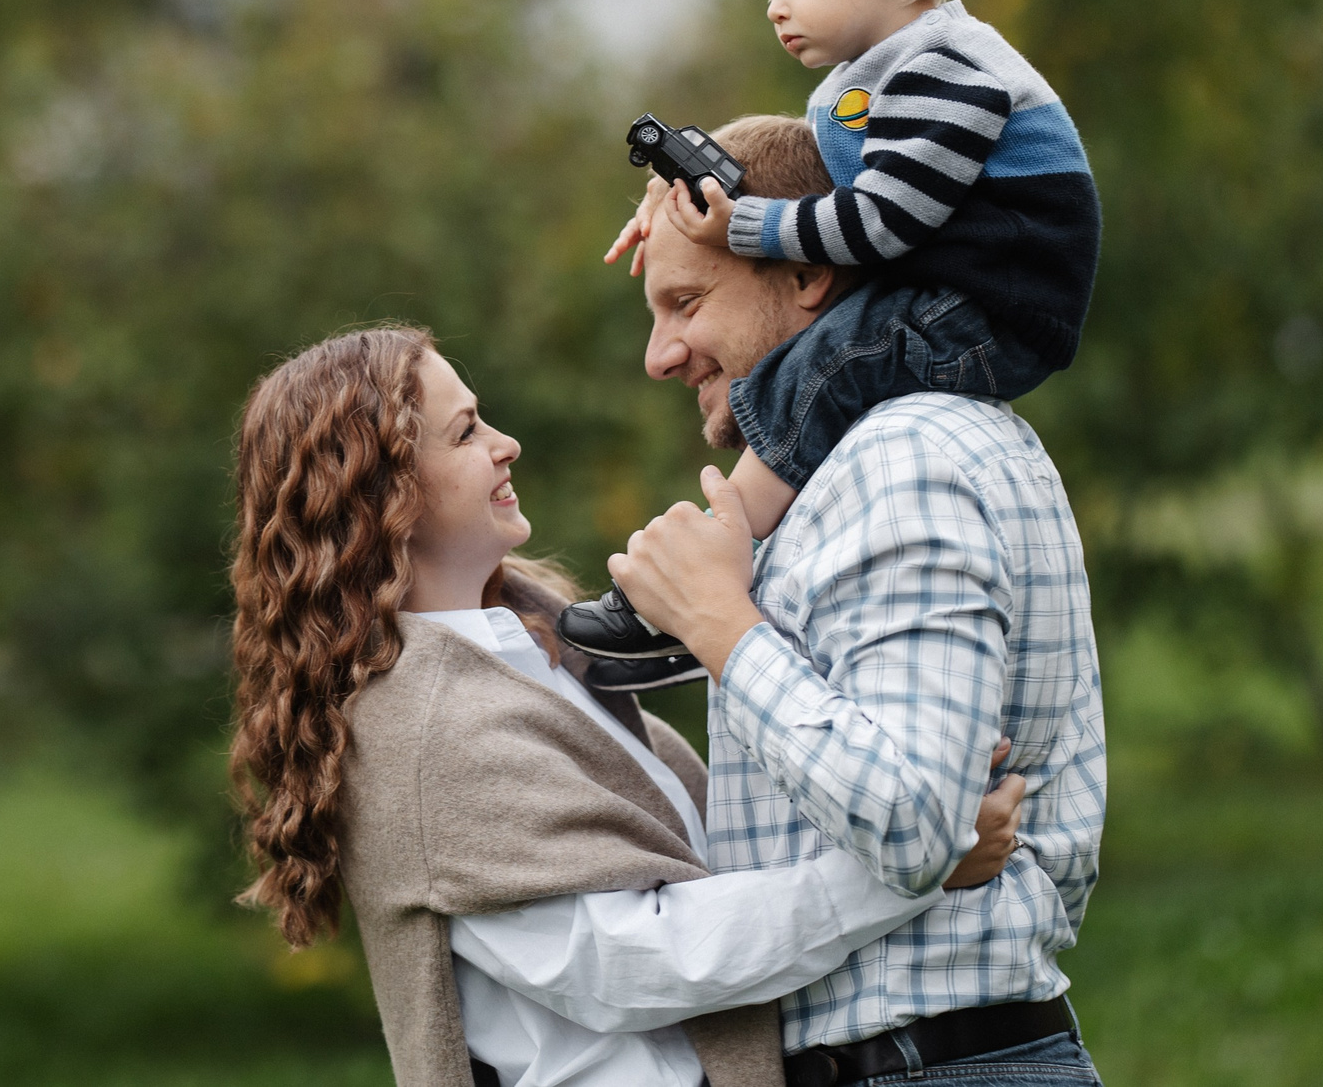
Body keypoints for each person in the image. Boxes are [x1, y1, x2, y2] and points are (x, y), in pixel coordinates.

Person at [226, 325, 1027, 1087]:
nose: (505, 444)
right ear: (383, 488)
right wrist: (912, 870)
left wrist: (902, 777)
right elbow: (637, 961)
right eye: (466, 432)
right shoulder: (425, 725)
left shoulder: (532, 660)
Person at [607, 117, 1107, 1086]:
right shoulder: (863, 461)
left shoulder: (900, 458)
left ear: (804, 272)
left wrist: (721, 626)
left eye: (686, 302)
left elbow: (920, 823)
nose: (659, 355)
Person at [564, 0, 1099, 679]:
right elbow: (806, 174)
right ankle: (725, 575)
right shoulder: (866, 83)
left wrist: (739, 228)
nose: (774, 3)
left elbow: (873, 222)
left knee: (821, 368)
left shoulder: (949, 71)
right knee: (828, 361)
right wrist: (671, 204)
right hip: (948, 286)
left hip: (995, 303)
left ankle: (706, 577)